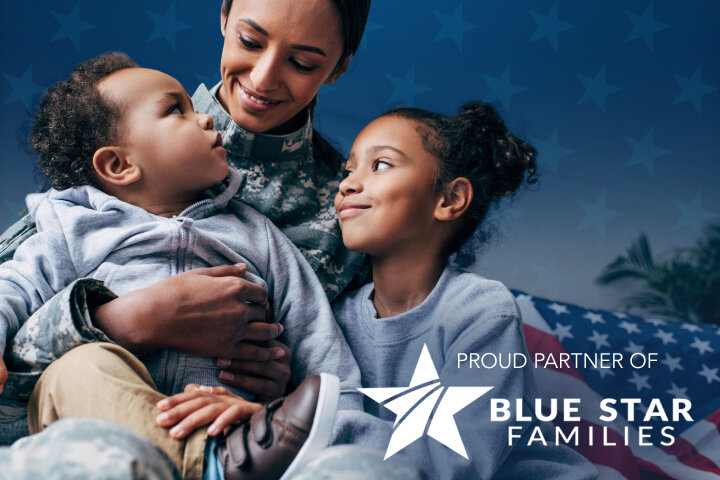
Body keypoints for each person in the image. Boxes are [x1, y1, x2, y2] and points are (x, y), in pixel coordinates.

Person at [137, 103, 598, 479]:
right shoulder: (331, 321)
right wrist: (263, 416)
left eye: (380, 165)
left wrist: (286, 422)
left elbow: (450, 464)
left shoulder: (479, 311)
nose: (348, 184)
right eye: (348, 169)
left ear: (449, 199)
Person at [0, 0, 371, 444]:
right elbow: (16, 307)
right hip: (85, 437)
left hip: (232, 438)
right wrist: (121, 320)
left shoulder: (346, 211)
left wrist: (278, 401)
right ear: (224, 18)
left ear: (339, 67)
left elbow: (336, 376)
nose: (264, 77)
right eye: (250, 41)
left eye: (302, 62)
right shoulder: (109, 144)